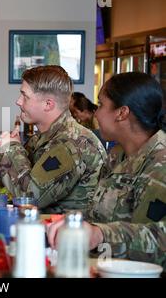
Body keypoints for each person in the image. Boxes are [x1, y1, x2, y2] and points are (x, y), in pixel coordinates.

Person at [47, 72, 166, 269]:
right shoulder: (117, 155)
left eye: (101, 105)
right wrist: (75, 221)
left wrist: (99, 234)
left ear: (122, 113)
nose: (96, 113)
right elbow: (100, 212)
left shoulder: (160, 163)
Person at [0, 66, 107, 213]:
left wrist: (12, 148)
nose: (18, 102)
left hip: (66, 232)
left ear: (48, 104)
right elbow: (10, 184)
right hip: (41, 226)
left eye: (25, 96)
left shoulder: (71, 143)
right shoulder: (43, 137)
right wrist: (6, 150)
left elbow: (29, 198)